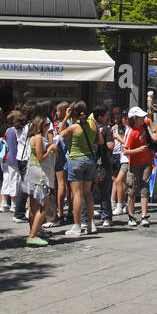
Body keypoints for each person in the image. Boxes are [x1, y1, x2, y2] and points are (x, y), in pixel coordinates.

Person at [59, 100, 99, 237]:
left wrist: (65, 118)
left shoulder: (74, 127)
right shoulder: (93, 124)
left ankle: (76, 226)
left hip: (75, 160)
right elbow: (100, 141)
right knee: (88, 193)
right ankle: (91, 223)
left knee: (77, 194)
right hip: (90, 161)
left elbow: (60, 135)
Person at [23, 115, 59, 246]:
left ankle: (34, 232)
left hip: (34, 174)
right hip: (40, 176)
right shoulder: (38, 138)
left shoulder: (35, 138)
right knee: (43, 206)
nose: (48, 128)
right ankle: (33, 235)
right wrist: (50, 149)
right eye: (46, 126)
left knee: (33, 207)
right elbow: (40, 157)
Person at [123, 105, 155, 229]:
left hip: (146, 162)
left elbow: (150, 120)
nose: (143, 118)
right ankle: (131, 215)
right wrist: (139, 150)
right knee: (132, 190)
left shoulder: (143, 126)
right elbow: (125, 151)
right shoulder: (131, 132)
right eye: (141, 117)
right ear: (135, 118)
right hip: (134, 164)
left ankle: (144, 215)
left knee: (145, 189)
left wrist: (152, 134)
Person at [93, 105, 115, 228]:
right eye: (106, 115)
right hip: (104, 162)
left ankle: (93, 216)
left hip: (93, 161)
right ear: (100, 117)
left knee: (91, 190)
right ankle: (106, 216)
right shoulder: (106, 129)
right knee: (105, 190)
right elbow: (111, 146)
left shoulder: (90, 127)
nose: (108, 117)